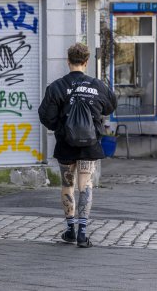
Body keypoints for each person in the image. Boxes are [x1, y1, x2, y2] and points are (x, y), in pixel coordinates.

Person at [38, 43, 117, 248]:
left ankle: (70, 229)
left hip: (65, 144)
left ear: (68, 61)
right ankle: (83, 233)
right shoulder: (97, 86)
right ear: (86, 62)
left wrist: (61, 128)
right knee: (85, 184)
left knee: (67, 185)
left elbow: (45, 116)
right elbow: (110, 105)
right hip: (89, 144)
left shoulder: (56, 87)